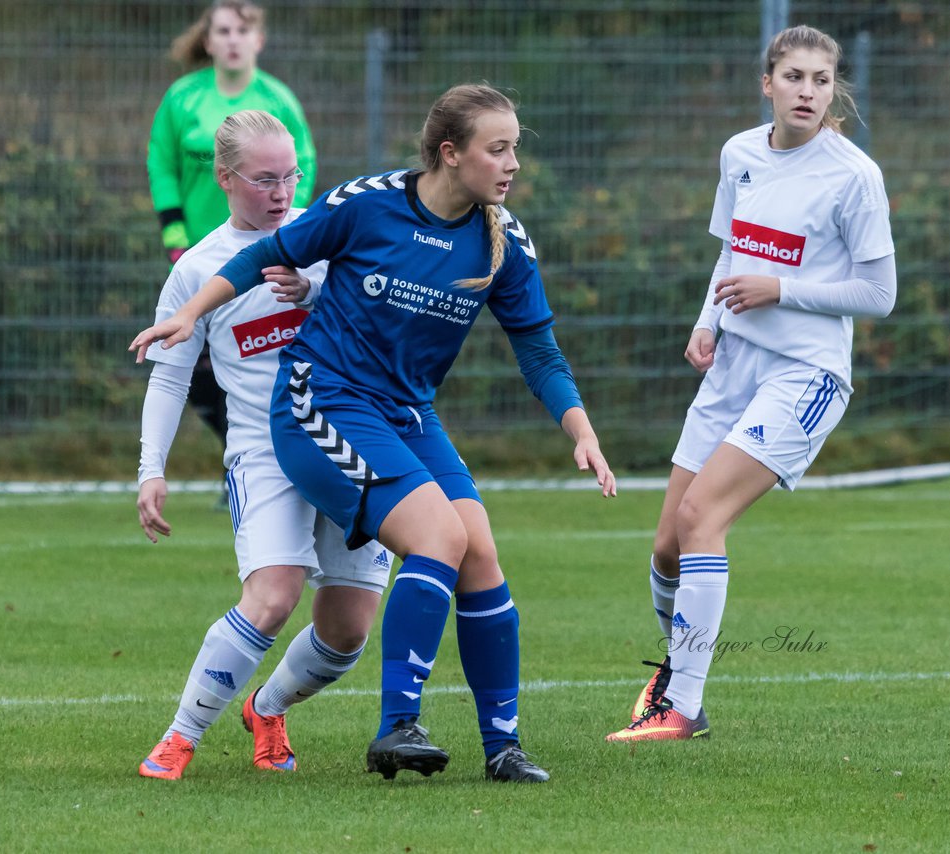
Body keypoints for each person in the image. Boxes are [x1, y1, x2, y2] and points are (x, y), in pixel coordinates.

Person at [132, 84, 617, 784]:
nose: (513, 164)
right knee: (301, 585)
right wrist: (188, 331)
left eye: (289, 174)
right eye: (499, 149)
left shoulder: (502, 237)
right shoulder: (362, 205)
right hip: (312, 408)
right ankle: (232, 734)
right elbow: (255, 264)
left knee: (456, 565)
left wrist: (582, 430)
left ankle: (501, 747)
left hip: (403, 414)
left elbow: (537, 349)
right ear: (451, 153)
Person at [606, 25, 896, 744]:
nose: (807, 91)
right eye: (794, 77)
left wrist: (782, 289)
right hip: (733, 367)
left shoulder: (853, 175)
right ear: (767, 83)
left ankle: (683, 705)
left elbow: (879, 293)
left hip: (805, 376)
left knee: (704, 516)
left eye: (821, 80)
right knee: (670, 545)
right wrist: (708, 320)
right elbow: (734, 251)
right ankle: (675, 677)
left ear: (834, 90)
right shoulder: (739, 153)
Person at [136, 110, 390, 782]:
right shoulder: (198, 270)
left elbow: (385, 311)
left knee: (348, 632)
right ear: (224, 178)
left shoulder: (329, 238)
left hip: (352, 442)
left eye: (292, 176)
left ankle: (267, 707)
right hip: (264, 453)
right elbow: (168, 374)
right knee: (273, 596)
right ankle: (179, 737)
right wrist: (149, 471)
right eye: (264, 179)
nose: (282, 191)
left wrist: (317, 291)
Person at [146, 0, 318, 469]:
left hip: (272, 245)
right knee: (192, 362)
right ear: (208, 40)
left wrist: (300, 238)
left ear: (258, 40)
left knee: (281, 344)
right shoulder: (183, 98)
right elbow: (161, 164)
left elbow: (304, 164)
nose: (233, 40)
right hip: (200, 249)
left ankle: (282, 444)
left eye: (243, 30)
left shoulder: (278, 98)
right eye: (223, 31)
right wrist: (175, 235)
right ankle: (243, 447)